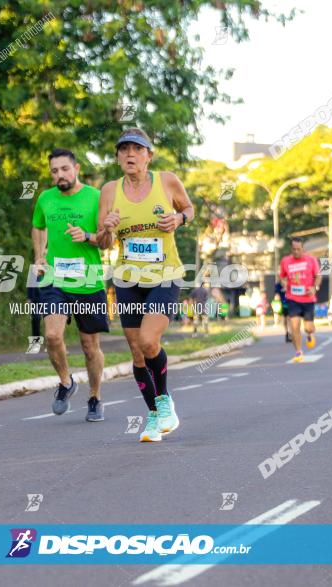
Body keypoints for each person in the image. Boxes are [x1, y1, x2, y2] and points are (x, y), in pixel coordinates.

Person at [96, 128, 195, 442]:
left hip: (164, 275)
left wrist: (179, 220)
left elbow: (189, 209)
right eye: (123, 149)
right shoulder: (109, 191)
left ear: (148, 156)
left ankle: (164, 402)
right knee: (137, 353)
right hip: (128, 279)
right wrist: (108, 229)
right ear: (117, 157)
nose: (130, 155)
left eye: (137, 150)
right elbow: (102, 242)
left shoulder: (167, 181)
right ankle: (154, 415)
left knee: (150, 341)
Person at [31, 148, 110, 422]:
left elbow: (107, 239)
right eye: (54, 171)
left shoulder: (96, 197)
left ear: (76, 169)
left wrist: (87, 235)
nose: (59, 175)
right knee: (52, 335)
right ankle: (66, 382)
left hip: (88, 280)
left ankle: (95, 397)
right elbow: (38, 226)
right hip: (54, 278)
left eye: (64, 169)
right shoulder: (45, 198)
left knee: (90, 346)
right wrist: (39, 255)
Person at [280, 237, 321, 363]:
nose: (296, 251)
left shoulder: (311, 260)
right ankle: (298, 352)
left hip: (308, 299)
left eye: (298, 249)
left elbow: (318, 275)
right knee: (294, 326)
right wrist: (284, 284)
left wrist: (314, 288)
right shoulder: (285, 261)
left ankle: (309, 334)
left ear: (303, 248)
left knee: (308, 327)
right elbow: (282, 276)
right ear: (291, 249)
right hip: (293, 298)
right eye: (294, 249)